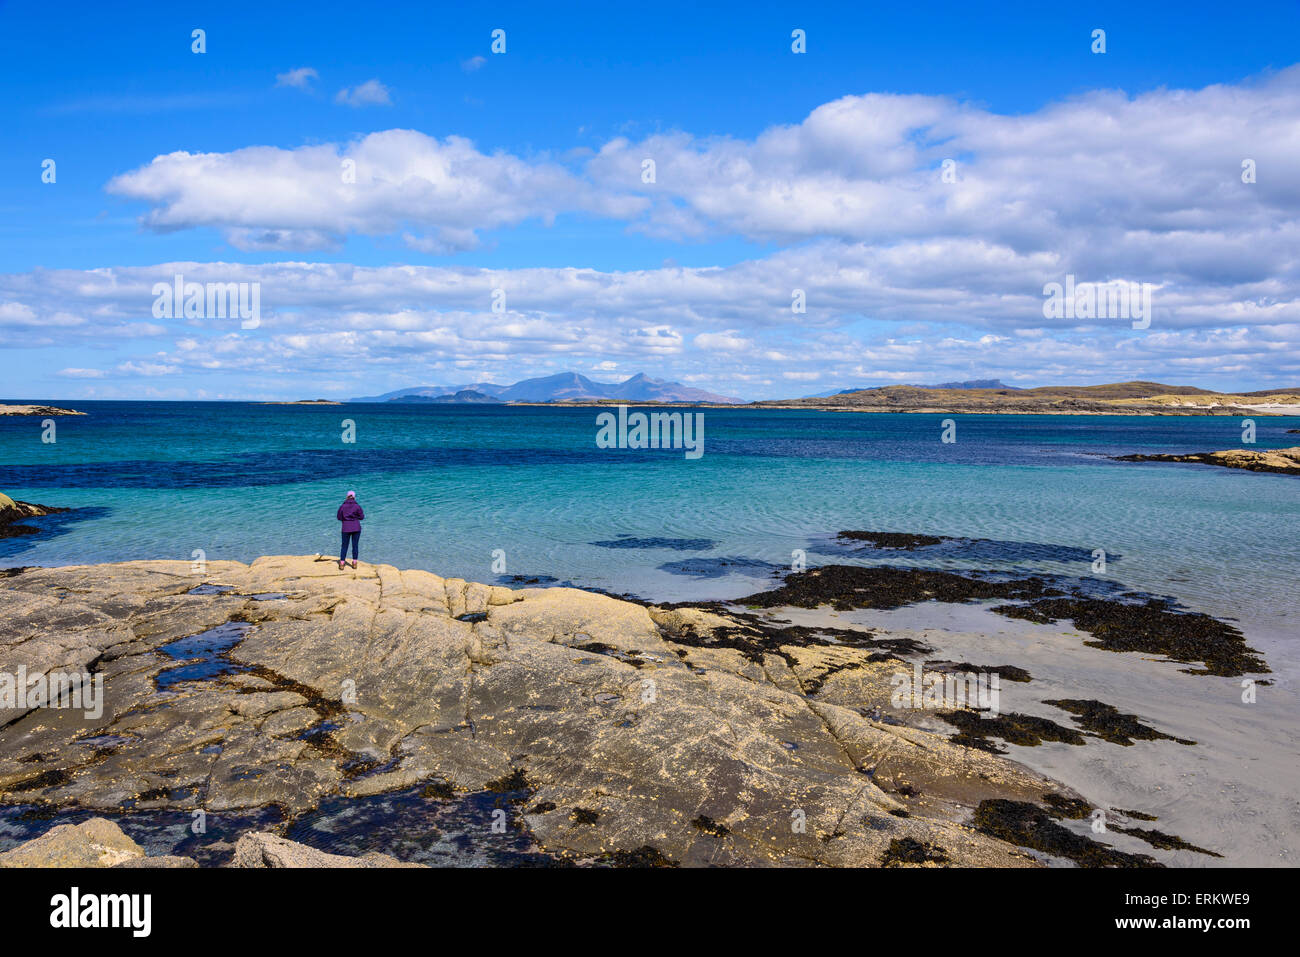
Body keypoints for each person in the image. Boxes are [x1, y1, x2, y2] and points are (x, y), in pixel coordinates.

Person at [336, 490, 364, 569]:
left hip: (345, 528)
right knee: (355, 545)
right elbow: (362, 517)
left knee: (344, 546)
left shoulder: (342, 506)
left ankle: (342, 563)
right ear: (354, 497)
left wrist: (345, 519)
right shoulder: (357, 506)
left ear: (347, 497)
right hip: (356, 527)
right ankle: (354, 563)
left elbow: (339, 517)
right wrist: (355, 518)